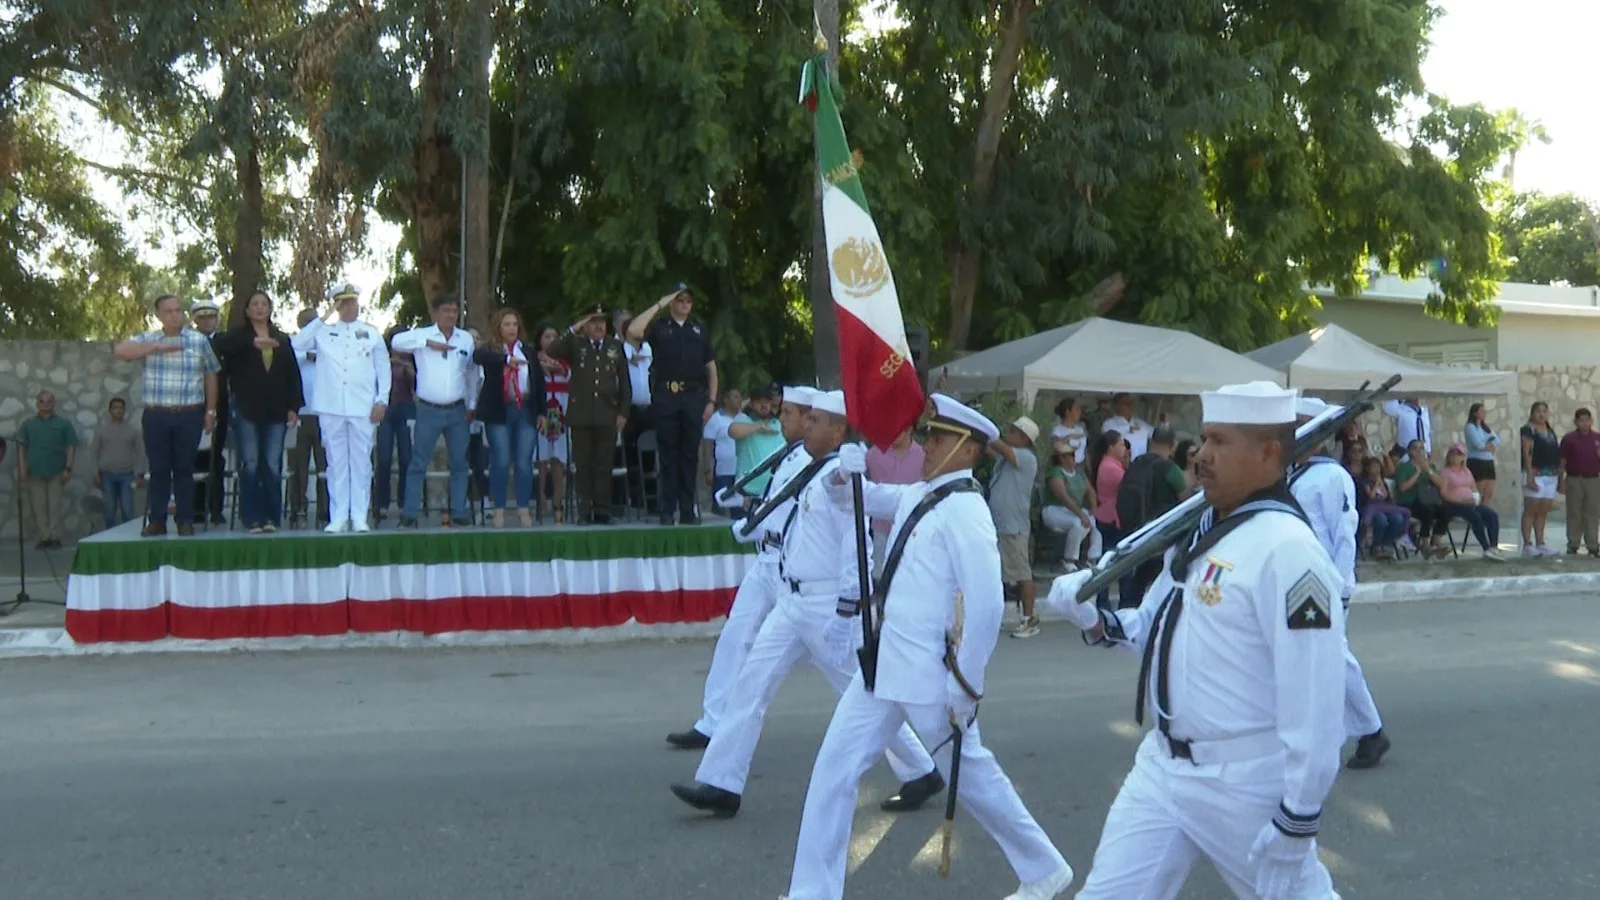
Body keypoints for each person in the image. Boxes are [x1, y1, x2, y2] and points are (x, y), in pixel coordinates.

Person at [1044, 380, 1346, 900]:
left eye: (1220, 442)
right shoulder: (1204, 527)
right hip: (1162, 770)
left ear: (1269, 451)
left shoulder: (1289, 551)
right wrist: (1095, 619)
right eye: (1204, 439)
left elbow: (1315, 700)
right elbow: (1154, 624)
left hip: (1243, 783)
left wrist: (1298, 818)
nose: (1202, 455)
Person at [784, 393, 1074, 900]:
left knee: (975, 777)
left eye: (938, 438)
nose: (927, 444)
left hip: (927, 678)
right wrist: (840, 476)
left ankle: (1044, 868)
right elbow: (864, 499)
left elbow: (985, 608)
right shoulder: (924, 493)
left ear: (966, 450)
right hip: (884, 669)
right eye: (930, 434)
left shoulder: (966, 510)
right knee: (833, 769)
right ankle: (813, 892)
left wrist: (967, 683)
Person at [670, 390, 941, 818]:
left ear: (837, 430)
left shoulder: (840, 477)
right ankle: (722, 782)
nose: (806, 426)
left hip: (826, 607)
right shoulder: (813, 470)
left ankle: (921, 769)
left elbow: (858, 548)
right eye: (808, 418)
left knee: (864, 692)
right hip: (792, 602)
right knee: (750, 684)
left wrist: (847, 611)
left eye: (815, 421)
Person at [666, 387, 816, 751]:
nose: (781, 419)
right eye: (783, 412)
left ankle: (917, 762)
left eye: (790, 413)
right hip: (766, 563)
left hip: (789, 567)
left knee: (845, 670)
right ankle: (712, 722)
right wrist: (743, 498)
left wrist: (748, 524)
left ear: (811, 419)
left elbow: (785, 516)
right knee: (735, 636)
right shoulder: (791, 453)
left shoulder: (813, 461)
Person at [1289, 398, 1390, 771]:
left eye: (1299, 425)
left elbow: (1344, 537)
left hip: (1322, 585)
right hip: (1296, 581)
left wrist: (1337, 587)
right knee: (1311, 660)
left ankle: (1371, 731)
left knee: (1332, 658)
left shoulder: (1332, 477)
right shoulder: (1288, 475)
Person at [112, 293, 222, 537]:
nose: (175, 314)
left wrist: (211, 410)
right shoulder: (147, 339)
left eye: (178, 310)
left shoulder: (197, 341)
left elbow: (211, 373)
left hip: (189, 414)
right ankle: (158, 520)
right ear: (159, 315)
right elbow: (120, 351)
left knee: (184, 467)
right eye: (169, 311)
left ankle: (185, 520)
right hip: (157, 414)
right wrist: (155, 347)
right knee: (159, 468)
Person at [290, 283, 390, 533]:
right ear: (336, 305)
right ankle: (338, 517)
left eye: (352, 302)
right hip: (331, 406)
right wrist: (324, 316)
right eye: (343, 303)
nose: (349, 307)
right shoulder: (323, 332)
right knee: (335, 463)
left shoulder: (371, 333)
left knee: (361, 462)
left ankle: (359, 516)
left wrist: (382, 400)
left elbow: (383, 369)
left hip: (363, 406)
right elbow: (297, 344)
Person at [212, 291, 304, 533]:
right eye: (255, 304)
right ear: (247, 310)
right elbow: (216, 344)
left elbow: (292, 376)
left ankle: (272, 517)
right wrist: (250, 343)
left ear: (270, 309)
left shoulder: (282, 339)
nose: (260, 308)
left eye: (264, 304)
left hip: (276, 411)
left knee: (272, 465)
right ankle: (252, 517)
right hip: (246, 409)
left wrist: (294, 407)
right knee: (250, 463)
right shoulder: (238, 337)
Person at [627, 282, 717, 525]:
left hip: (693, 396)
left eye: (688, 300)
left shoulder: (699, 329)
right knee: (667, 454)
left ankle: (688, 509)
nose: (684, 304)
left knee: (690, 454)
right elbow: (634, 331)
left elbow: (710, 366)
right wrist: (660, 303)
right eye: (679, 299)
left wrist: (711, 400)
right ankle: (667, 510)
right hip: (667, 396)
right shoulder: (659, 327)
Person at [393, 294, 478, 527]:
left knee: (459, 462)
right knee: (418, 462)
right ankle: (410, 513)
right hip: (428, 410)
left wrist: (472, 405)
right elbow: (395, 342)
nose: (451, 315)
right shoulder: (422, 334)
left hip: (457, 409)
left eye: (454, 311)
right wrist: (428, 343)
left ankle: (459, 511)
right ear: (436, 313)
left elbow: (471, 373)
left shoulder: (465, 339)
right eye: (446, 310)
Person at [547, 306, 630, 524]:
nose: (599, 326)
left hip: (607, 413)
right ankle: (584, 511)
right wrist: (575, 328)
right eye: (593, 322)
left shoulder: (615, 346)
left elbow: (625, 383)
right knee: (583, 466)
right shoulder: (576, 344)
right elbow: (553, 350)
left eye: (602, 322)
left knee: (604, 464)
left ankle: (602, 510)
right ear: (586, 325)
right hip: (581, 414)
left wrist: (623, 412)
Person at [470, 309, 542, 528]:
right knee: (500, 461)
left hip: (525, 410)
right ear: (498, 328)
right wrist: (505, 359)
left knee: (523, 463)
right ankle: (499, 508)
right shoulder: (491, 351)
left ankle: (523, 508)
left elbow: (539, 383)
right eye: (507, 324)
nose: (512, 328)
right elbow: (478, 357)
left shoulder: (527, 351)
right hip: (499, 411)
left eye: (515, 324)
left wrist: (541, 412)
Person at [1116, 425, 1193, 603]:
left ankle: (1125, 611)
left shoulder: (1137, 463)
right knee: (1159, 578)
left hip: (1136, 529)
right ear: (1172, 445)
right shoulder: (1168, 468)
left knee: (1137, 579)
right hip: (1162, 532)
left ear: (1151, 441)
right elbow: (1186, 498)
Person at [991, 416, 1042, 638]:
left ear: (1023, 437)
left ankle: (1029, 618)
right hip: (1001, 524)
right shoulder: (1006, 458)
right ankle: (998, 617)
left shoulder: (1026, 457)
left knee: (1022, 573)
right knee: (1000, 574)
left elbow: (998, 446)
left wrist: (984, 430)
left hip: (1014, 526)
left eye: (1011, 431)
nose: (1007, 433)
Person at [16, 390, 77, 549]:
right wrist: (22, 468)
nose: (45, 405)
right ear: (37, 404)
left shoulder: (64, 424)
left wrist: (68, 468)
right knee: (39, 507)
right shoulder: (28, 425)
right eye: (42, 401)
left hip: (57, 471)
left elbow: (71, 446)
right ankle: (44, 537)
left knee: (55, 506)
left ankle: (54, 537)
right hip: (35, 472)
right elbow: (21, 447)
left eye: (49, 401)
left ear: (53, 403)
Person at [189, 298, 229, 525]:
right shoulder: (189, 342)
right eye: (202, 317)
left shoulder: (224, 343)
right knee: (193, 459)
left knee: (215, 459)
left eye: (211, 317)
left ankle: (215, 509)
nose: (207, 321)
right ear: (195, 320)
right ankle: (195, 509)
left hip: (219, 410)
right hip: (192, 406)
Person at [288, 307, 330, 528]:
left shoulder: (327, 343)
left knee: (326, 467)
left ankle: (326, 510)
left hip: (325, 415)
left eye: (314, 321)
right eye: (307, 322)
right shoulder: (294, 345)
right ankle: (298, 509)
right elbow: (289, 361)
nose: (311, 325)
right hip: (299, 416)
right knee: (298, 467)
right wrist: (307, 355)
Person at [863, 425, 924, 574]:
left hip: (912, 531)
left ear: (909, 429)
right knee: (878, 574)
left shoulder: (923, 456)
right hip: (881, 531)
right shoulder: (873, 455)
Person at [375, 326, 417, 521]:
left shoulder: (414, 359)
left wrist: (410, 370)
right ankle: (381, 504)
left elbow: (418, 387)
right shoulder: (380, 358)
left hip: (407, 408)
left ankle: (403, 503)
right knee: (383, 458)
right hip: (385, 409)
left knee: (406, 458)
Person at [1040, 437, 1099, 571]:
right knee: (1077, 523)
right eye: (1071, 455)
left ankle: (1093, 557)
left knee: (1094, 522)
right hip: (1054, 510)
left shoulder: (1079, 473)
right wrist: (1081, 514)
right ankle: (1069, 559)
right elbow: (1063, 497)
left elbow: (1091, 492)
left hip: (1073, 510)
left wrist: (1093, 509)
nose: (1074, 458)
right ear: (1062, 458)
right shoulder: (1055, 473)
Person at [532, 323, 571, 523]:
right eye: (547, 336)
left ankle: (558, 498)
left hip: (561, 408)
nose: (551, 339)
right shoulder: (533, 358)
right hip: (543, 407)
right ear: (540, 339)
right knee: (542, 456)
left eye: (554, 336)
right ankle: (541, 498)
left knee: (559, 456)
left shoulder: (565, 360)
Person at [1438, 443, 1504, 560]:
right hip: (1454, 504)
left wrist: (1475, 499)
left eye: (1459, 455)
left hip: (1470, 503)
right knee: (1475, 516)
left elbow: (1474, 488)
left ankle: (1493, 547)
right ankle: (1486, 548)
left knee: (1492, 515)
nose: (1455, 457)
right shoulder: (1445, 472)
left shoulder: (1467, 471)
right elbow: (1443, 493)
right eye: (1453, 454)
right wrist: (1460, 501)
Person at [92, 397, 145, 529]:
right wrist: (95, 473)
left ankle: (127, 539)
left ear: (125, 410)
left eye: (121, 408)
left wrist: (139, 474)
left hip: (127, 475)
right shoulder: (101, 431)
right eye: (115, 408)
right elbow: (94, 452)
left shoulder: (133, 432)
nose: (118, 411)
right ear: (110, 411)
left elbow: (140, 453)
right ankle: (110, 538)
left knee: (127, 509)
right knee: (109, 510)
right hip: (107, 475)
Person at [1518, 401, 1561, 557]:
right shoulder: (1528, 430)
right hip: (1535, 473)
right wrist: (1529, 475)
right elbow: (1527, 453)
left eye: (1544, 411)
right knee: (1531, 509)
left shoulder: (1550, 431)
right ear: (1532, 413)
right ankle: (1527, 545)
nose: (1541, 414)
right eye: (1538, 411)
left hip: (1551, 474)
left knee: (1543, 510)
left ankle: (1540, 542)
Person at [1559, 408, 1600, 556]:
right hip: (1575, 478)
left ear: (1591, 421)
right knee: (1574, 512)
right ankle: (1573, 543)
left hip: (1593, 479)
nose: (1584, 423)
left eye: (1587, 420)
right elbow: (1562, 460)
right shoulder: (1569, 439)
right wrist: (1561, 480)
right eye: (1581, 420)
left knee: (1592, 513)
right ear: (1575, 422)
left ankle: (1593, 545)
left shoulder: (1597, 438)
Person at [1356, 457, 1410, 560]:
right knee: (1381, 520)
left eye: (1378, 467)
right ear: (1367, 469)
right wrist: (1376, 484)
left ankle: (1388, 544)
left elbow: (1385, 496)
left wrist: (1381, 483)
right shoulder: (1365, 481)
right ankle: (1375, 546)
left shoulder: (1382, 481)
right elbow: (1371, 496)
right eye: (1373, 467)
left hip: (1383, 506)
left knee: (1398, 518)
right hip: (1371, 506)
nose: (1376, 470)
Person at [702, 388, 743, 499]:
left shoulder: (744, 418)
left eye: (740, 396)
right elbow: (708, 446)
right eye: (735, 396)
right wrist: (708, 471)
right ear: (725, 400)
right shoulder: (715, 419)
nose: (739, 399)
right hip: (723, 473)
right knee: (722, 506)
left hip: (742, 473)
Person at [1463, 403, 1500, 507]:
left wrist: (1488, 445)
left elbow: (1497, 440)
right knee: (1478, 492)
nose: (1484, 413)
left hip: (1488, 461)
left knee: (1489, 492)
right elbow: (1478, 444)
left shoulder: (1486, 427)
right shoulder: (1470, 427)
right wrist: (1488, 445)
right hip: (1477, 461)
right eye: (1482, 411)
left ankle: (1486, 515)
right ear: (1475, 413)